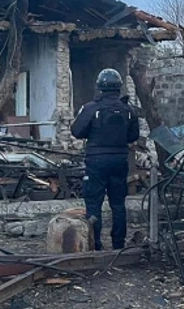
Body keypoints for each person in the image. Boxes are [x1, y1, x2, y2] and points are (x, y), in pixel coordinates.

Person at [70, 68, 140, 250]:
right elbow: (134, 136)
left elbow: (76, 131)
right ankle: (118, 245)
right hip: (120, 161)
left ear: (99, 87)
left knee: (94, 204)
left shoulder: (91, 108)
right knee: (118, 204)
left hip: (96, 162)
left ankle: (96, 245)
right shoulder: (128, 110)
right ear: (119, 87)